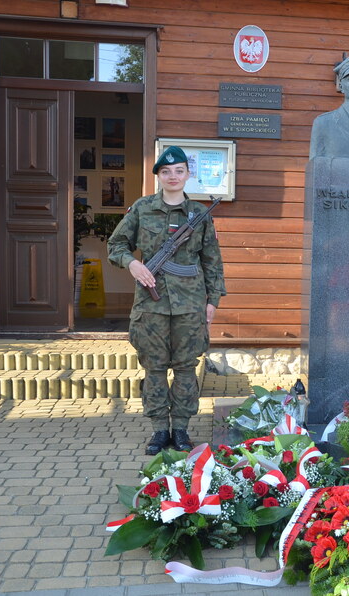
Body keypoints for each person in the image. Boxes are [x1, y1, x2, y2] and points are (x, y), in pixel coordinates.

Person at [108, 146, 226, 455]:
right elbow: (116, 244)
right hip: (151, 306)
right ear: (159, 176)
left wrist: (213, 300)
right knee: (155, 368)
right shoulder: (143, 208)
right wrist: (132, 264)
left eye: (179, 171)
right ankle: (160, 430)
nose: (173, 176)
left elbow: (212, 260)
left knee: (187, 368)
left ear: (188, 175)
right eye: (166, 172)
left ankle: (182, 429)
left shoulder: (199, 214)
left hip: (190, 305)